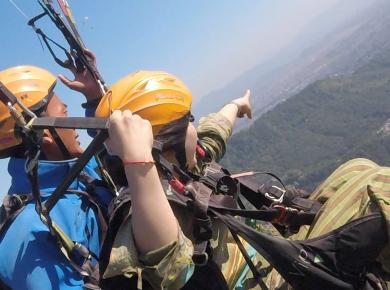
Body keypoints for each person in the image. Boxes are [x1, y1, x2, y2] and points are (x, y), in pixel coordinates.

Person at [91, 70, 260, 290]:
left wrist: (236, 105)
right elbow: (168, 262)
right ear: (166, 145)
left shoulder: (183, 169)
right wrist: (138, 159)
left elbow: (213, 135)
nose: (194, 128)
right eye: (188, 120)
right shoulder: (144, 212)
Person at [0, 54, 114, 289]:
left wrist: (94, 97)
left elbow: (109, 151)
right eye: (64, 112)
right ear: (48, 135)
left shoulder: (76, 170)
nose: (73, 122)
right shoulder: (30, 236)